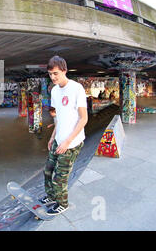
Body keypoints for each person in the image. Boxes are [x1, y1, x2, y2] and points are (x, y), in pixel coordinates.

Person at [40, 55, 88, 215]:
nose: (52, 77)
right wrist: (53, 136)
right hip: (59, 139)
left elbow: (84, 119)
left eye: (55, 73)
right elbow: (58, 117)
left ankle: (63, 203)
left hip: (72, 142)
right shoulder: (54, 91)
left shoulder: (76, 89)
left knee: (60, 177)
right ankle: (51, 196)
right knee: (48, 170)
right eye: (50, 74)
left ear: (64, 71)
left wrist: (67, 142)